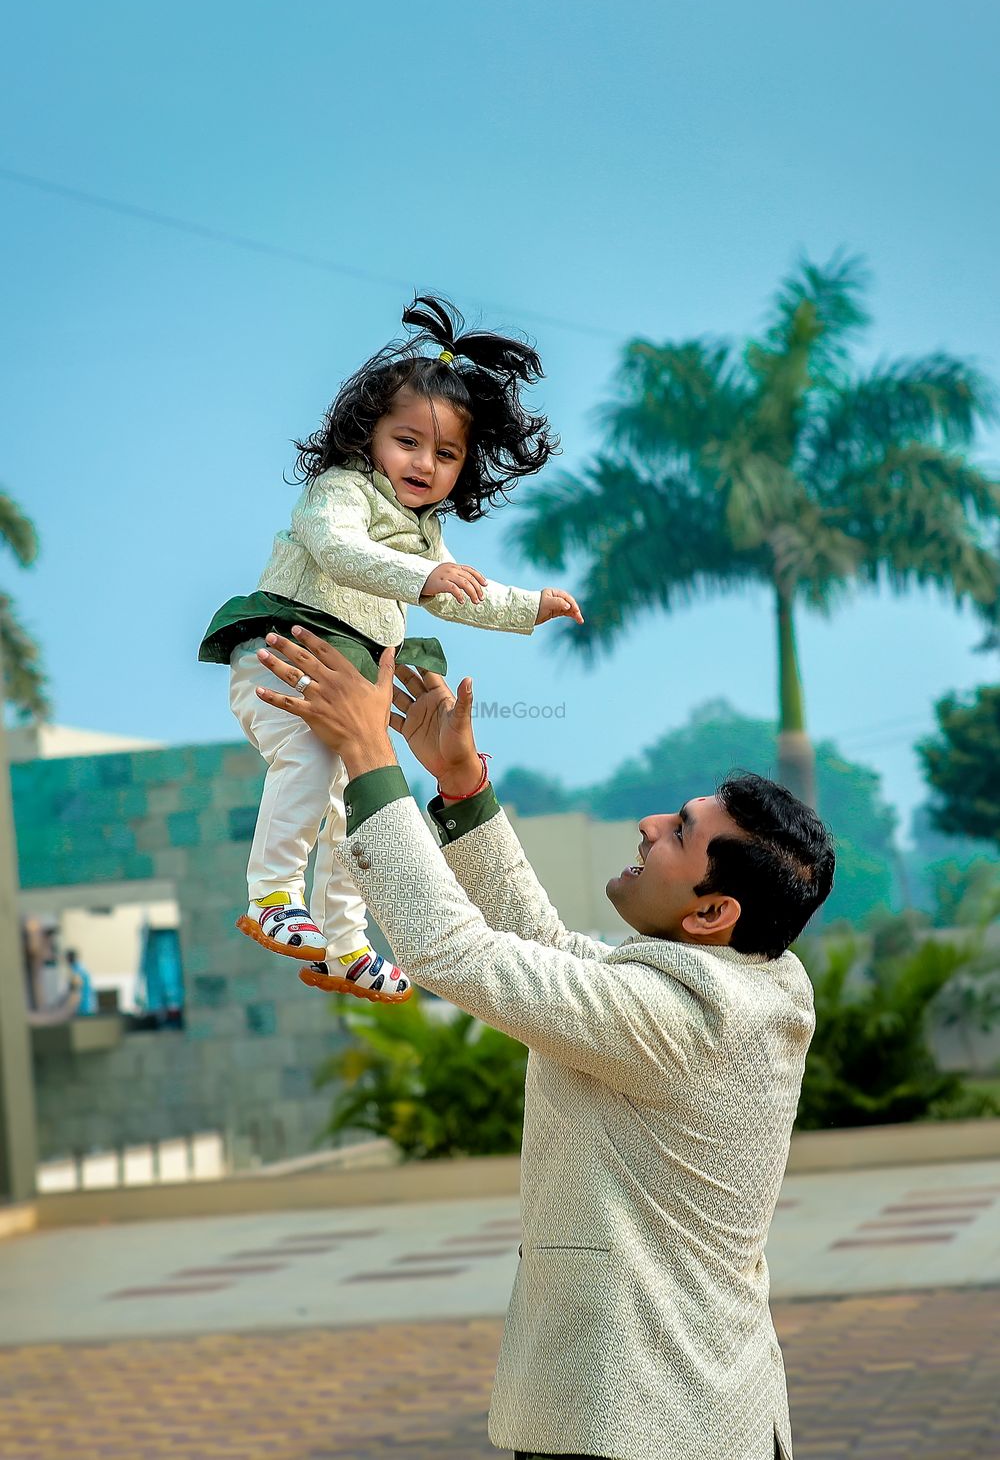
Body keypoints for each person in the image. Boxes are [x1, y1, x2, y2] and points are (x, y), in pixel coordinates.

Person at [251, 626, 835, 1460]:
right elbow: (546, 953)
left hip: (644, 1423)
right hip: (677, 1413)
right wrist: (460, 787)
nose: (647, 823)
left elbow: (457, 953)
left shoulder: (684, 1020)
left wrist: (368, 756)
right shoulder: (746, 982)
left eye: (678, 833)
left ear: (714, 914)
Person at [198, 294, 582, 1004]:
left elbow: (457, 591)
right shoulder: (338, 492)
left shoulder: (425, 534)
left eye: (445, 453)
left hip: (347, 686)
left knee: (366, 808)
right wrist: (423, 573)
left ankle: (345, 945)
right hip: (286, 659)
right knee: (310, 761)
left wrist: (530, 607)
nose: (425, 463)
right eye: (408, 441)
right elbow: (341, 554)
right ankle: (272, 893)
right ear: (366, 433)